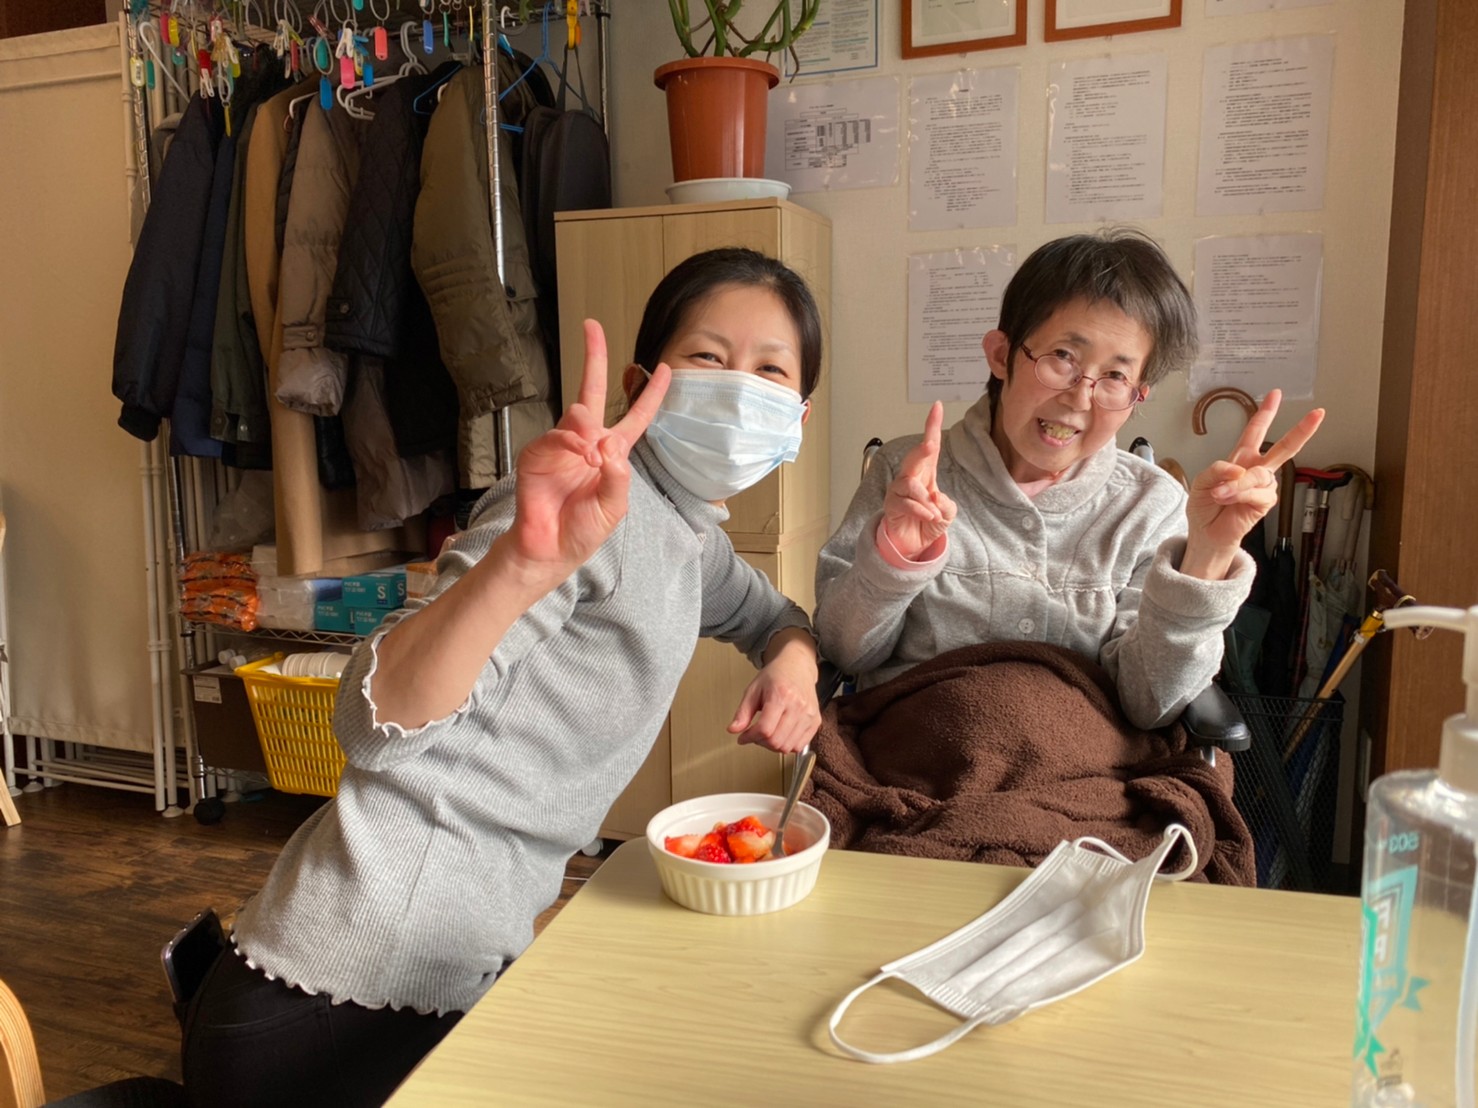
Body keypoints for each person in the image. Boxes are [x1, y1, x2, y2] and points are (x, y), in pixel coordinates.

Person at [180, 247, 825, 1107]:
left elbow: (775, 617)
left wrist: (794, 666)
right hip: (335, 999)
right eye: (708, 357)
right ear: (641, 384)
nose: (739, 387)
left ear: (798, 418)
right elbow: (376, 726)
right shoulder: (580, 506)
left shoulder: (688, 534)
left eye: (770, 370)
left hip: (454, 962)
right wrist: (520, 564)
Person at [814, 229, 1324, 730]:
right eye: (1063, 357)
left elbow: (1152, 704)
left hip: (1083, 766)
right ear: (1001, 356)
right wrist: (893, 562)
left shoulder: (1151, 505)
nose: (1081, 397)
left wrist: (1207, 556)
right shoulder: (906, 474)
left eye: (1116, 376)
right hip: (916, 752)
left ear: (1138, 395)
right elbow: (845, 652)